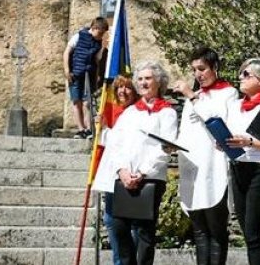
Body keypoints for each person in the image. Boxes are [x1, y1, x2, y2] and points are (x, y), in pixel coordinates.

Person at [95, 61, 179, 265]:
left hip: (149, 179)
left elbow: (165, 148)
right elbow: (116, 144)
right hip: (123, 178)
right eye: (140, 79)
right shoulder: (130, 112)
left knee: (144, 233)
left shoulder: (167, 112)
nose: (143, 82)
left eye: (148, 78)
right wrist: (122, 170)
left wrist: (142, 173)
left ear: (158, 81)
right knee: (118, 226)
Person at [174, 47, 238, 265]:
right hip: (192, 167)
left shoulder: (228, 93)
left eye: (202, 69)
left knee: (216, 229)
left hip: (213, 166)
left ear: (215, 68)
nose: (198, 74)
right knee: (200, 231)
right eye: (194, 70)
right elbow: (186, 130)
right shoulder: (196, 96)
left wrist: (191, 96)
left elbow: (217, 120)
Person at [225, 58, 260, 265]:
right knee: (247, 233)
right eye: (241, 73)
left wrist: (248, 141)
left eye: (246, 74)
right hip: (239, 165)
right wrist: (224, 142)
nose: (240, 77)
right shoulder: (236, 105)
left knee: (254, 231)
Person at [91, 75, 139, 265]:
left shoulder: (137, 113)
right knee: (111, 221)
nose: (122, 91)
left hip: (130, 174)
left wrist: (105, 131)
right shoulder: (112, 111)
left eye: (127, 87)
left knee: (130, 224)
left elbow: (124, 143)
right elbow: (110, 143)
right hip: (112, 173)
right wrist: (101, 129)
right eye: (119, 87)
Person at [64, 17, 110, 138]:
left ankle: (89, 129)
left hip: (89, 74)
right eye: (100, 33)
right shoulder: (79, 36)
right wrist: (67, 70)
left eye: (103, 34)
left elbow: (96, 60)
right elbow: (67, 52)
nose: (101, 36)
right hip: (75, 73)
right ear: (94, 28)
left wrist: (97, 76)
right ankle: (80, 129)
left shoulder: (98, 42)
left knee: (87, 102)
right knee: (76, 101)